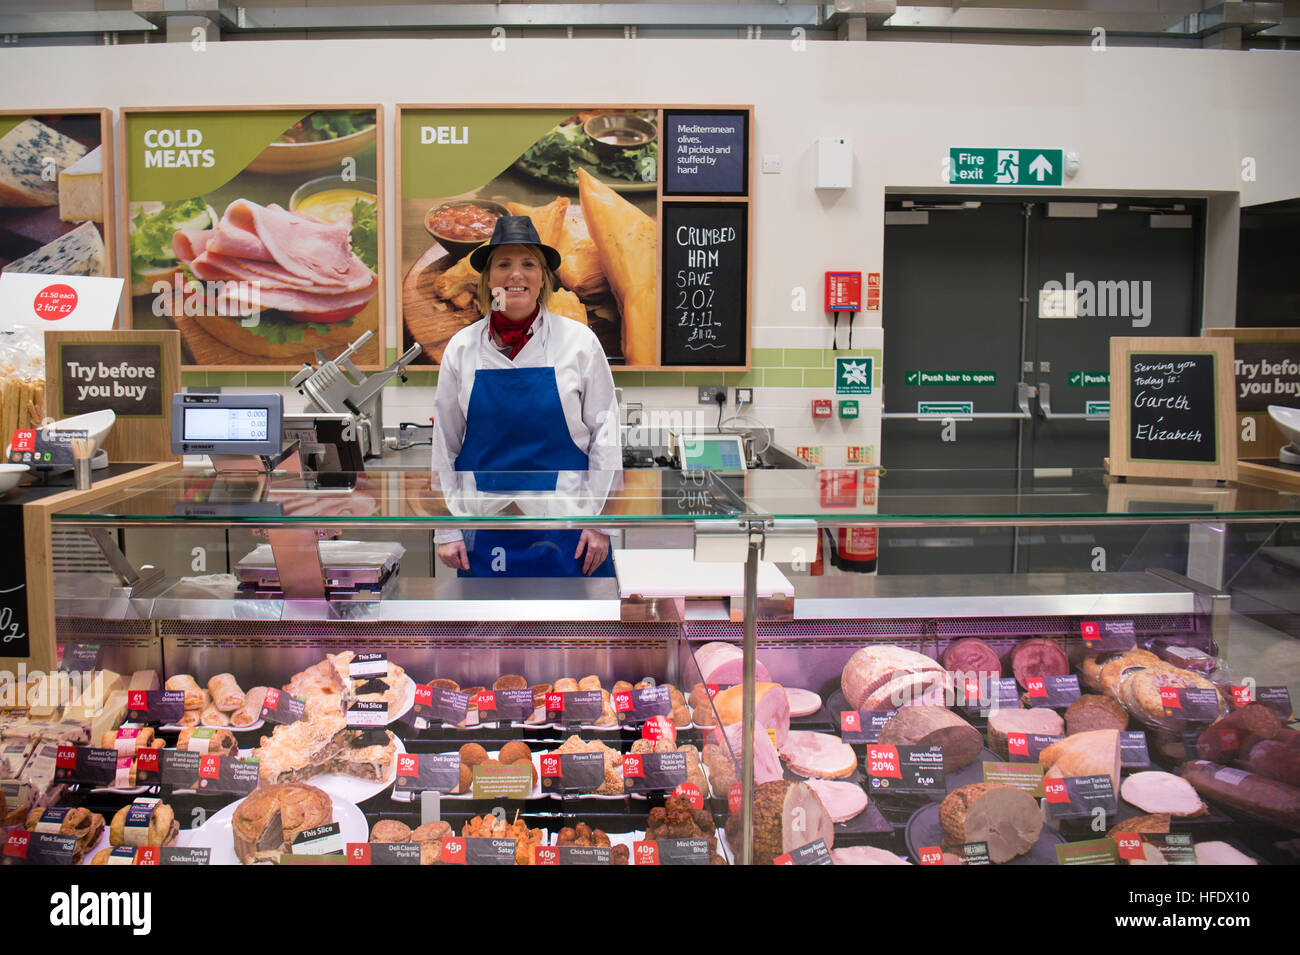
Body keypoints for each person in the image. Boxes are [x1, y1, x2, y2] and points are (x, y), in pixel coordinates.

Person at [430, 215, 620, 577]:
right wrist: (447, 527)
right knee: (487, 634)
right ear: (488, 280)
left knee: (576, 634)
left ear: (543, 279)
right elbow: (445, 445)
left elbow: (606, 440)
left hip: (569, 526)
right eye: (503, 264)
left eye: (528, 264)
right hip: (482, 527)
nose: (515, 275)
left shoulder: (580, 343)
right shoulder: (462, 348)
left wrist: (600, 523)